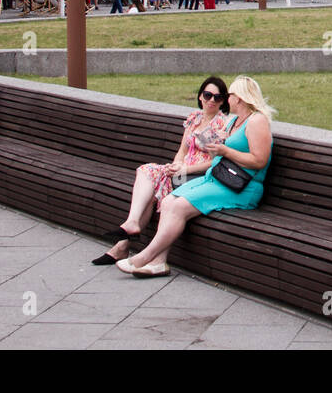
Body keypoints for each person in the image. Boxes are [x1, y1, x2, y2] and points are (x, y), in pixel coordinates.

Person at [118, 76, 274, 278]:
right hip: (218, 178)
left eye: (230, 95)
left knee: (179, 207)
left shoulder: (257, 120)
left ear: (240, 98)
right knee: (167, 202)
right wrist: (214, 149)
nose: (227, 99)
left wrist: (225, 151)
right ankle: (158, 262)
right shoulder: (234, 121)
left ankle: (144, 257)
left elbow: (259, 160)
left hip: (241, 187)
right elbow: (222, 151)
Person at [93, 76, 233, 265]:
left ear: (223, 101)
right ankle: (128, 232)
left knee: (151, 180)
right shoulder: (195, 119)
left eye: (218, 97)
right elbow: (182, 150)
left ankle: (123, 245)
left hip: (198, 176)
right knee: (147, 174)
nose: (211, 101)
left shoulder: (221, 125)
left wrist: (185, 169)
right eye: (208, 95)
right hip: (182, 172)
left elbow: (214, 162)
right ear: (200, 96)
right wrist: (175, 166)